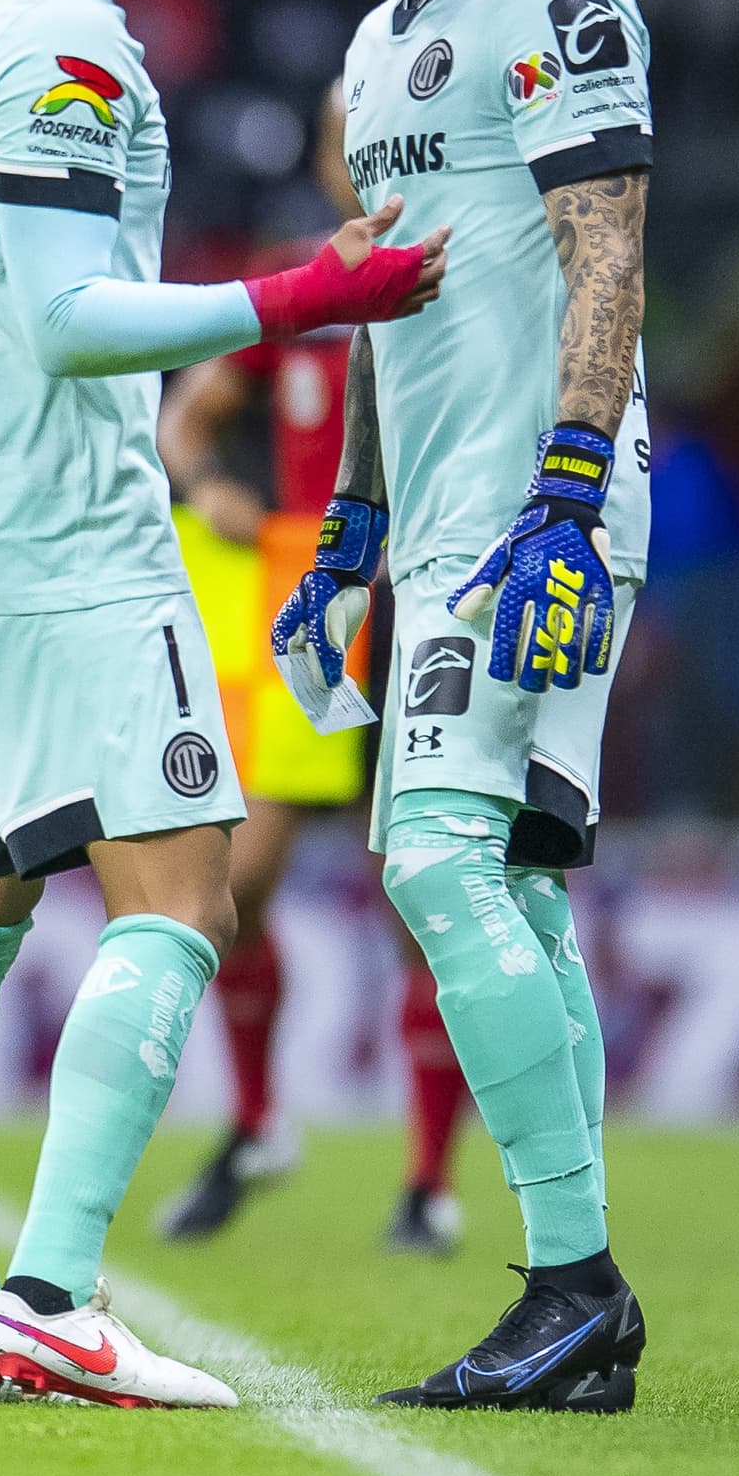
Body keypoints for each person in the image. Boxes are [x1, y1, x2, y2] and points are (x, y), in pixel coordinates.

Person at [0, 0, 448, 1412]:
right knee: (186, 898)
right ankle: (49, 1289)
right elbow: (70, 318)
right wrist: (303, 297)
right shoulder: (71, 50)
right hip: (75, 541)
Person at [275, 0, 651, 1413]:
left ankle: (572, 1280)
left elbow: (610, 251)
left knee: (433, 853)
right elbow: (375, 306)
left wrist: (568, 487)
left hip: (532, 512)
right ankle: (577, 1304)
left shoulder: (560, 1)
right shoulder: (370, 56)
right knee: (505, 877)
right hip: (429, 524)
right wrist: (349, 524)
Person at [154, 98, 470, 1254]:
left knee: (417, 891)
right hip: (312, 609)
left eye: (374, 131)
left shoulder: (467, 273)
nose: (355, 155)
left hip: (433, 607)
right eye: (342, 135)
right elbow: (184, 422)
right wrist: (208, 492)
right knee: (233, 886)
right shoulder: (299, 286)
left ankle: (428, 1181)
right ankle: (252, 1123)